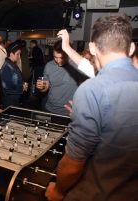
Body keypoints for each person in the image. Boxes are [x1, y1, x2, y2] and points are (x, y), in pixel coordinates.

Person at [45, 14, 138, 201]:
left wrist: (59, 190)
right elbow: (93, 71)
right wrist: (68, 49)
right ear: (131, 47)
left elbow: (73, 165)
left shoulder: (92, 90)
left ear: (93, 47)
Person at [36, 40, 87, 116]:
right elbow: (46, 87)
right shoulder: (49, 65)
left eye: (61, 58)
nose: (58, 61)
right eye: (55, 57)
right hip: (50, 109)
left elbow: (85, 88)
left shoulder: (76, 66)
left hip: (68, 112)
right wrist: (41, 87)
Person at [0, 42, 27, 108]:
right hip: (10, 97)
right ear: (11, 54)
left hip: (14, 95)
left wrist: (23, 84)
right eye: (18, 54)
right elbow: (6, 85)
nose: (19, 56)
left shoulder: (12, 64)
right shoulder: (7, 66)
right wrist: (22, 87)